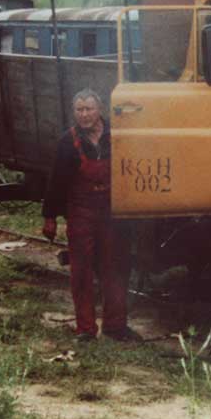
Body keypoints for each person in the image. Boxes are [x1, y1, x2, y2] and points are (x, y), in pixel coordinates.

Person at [42, 89, 137, 342]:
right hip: (81, 213)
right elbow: (56, 182)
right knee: (81, 271)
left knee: (115, 267)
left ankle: (116, 326)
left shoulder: (117, 137)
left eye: (89, 109)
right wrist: (49, 217)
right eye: (79, 110)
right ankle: (85, 329)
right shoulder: (67, 141)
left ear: (100, 110)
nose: (84, 115)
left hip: (112, 212)